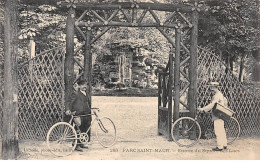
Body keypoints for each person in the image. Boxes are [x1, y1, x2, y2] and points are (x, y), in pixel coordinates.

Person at [197, 82, 228, 151]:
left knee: (218, 131)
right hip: (221, 114)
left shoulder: (217, 95)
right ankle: (224, 144)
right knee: (222, 130)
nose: (211, 90)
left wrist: (203, 109)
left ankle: (220, 147)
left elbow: (212, 105)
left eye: (211, 88)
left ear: (214, 88)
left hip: (218, 114)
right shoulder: (220, 94)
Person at [65, 79, 92, 152]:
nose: (84, 86)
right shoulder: (76, 93)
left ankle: (81, 143)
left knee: (85, 129)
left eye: (85, 85)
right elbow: (69, 102)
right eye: (82, 85)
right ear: (79, 86)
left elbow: (88, 104)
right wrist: (68, 109)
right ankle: (76, 145)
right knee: (78, 128)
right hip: (78, 114)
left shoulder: (87, 94)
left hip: (86, 114)